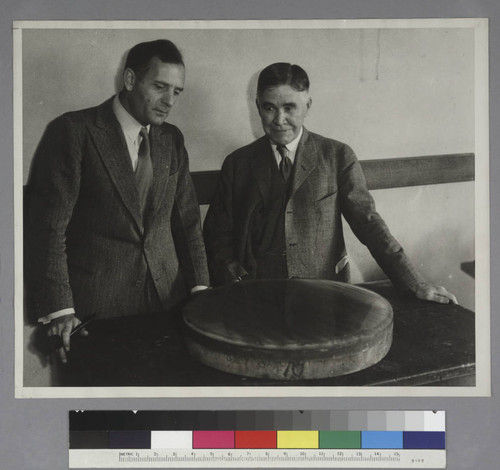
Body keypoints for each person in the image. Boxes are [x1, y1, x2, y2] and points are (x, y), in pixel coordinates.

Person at [203, 62, 457, 304]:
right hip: (256, 298)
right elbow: (216, 235)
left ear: (308, 105)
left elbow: (369, 223)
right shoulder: (238, 164)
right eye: (269, 108)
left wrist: (414, 283)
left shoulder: (337, 156)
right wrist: (235, 279)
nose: (279, 119)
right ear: (257, 106)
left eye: (289, 107)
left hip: (324, 297)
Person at [25, 40, 209, 363]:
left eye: (177, 91)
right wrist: (61, 310)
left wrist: (201, 292)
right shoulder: (73, 132)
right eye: (160, 86)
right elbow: (48, 230)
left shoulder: (172, 139)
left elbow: (188, 223)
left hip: (170, 307)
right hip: (96, 316)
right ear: (129, 80)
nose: (169, 101)